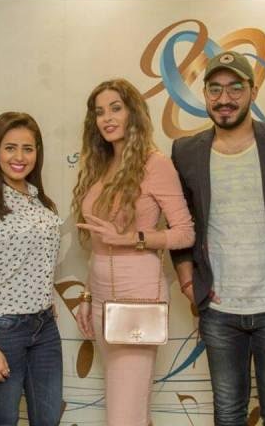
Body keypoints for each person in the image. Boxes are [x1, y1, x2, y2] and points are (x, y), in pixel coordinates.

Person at [170, 51, 265, 425]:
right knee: (228, 413)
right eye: (215, 89)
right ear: (205, 94)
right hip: (219, 311)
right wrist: (188, 282)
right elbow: (181, 222)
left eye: (235, 88)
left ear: (253, 91)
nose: (225, 98)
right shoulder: (185, 151)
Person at [72, 78, 195, 426]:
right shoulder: (100, 165)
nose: (107, 118)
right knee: (131, 409)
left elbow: (184, 232)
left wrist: (130, 239)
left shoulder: (155, 164)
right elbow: (99, 241)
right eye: (100, 112)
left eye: (116, 108)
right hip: (101, 295)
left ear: (133, 114)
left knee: (124, 415)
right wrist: (87, 295)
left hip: (137, 294)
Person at [0, 112, 63, 425]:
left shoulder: (44, 204)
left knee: (48, 419)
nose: (19, 157)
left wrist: (46, 300)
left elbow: (40, 263)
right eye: (10, 148)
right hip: (4, 331)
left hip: (45, 327)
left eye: (28, 149)